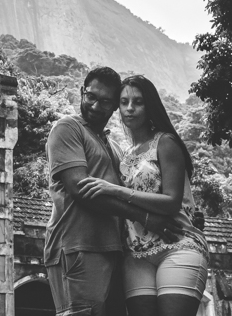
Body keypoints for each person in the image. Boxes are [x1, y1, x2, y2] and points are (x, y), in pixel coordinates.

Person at [44, 66, 175, 316]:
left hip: (114, 251)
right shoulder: (67, 129)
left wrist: (183, 214)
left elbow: (140, 190)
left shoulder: (113, 147)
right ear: (82, 92)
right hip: (77, 248)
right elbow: (81, 189)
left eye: (105, 101)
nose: (95, 106)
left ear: (115, 106)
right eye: (91, 96)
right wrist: (145, 217)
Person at [78, 74, 209, 316]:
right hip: (136, 255)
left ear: (150, 105)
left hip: (176, 245)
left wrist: (115, 190)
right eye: (124, 102)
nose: (130, 108)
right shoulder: (124, 154)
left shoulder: (166, 142)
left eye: (138, 102)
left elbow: (171, 202)